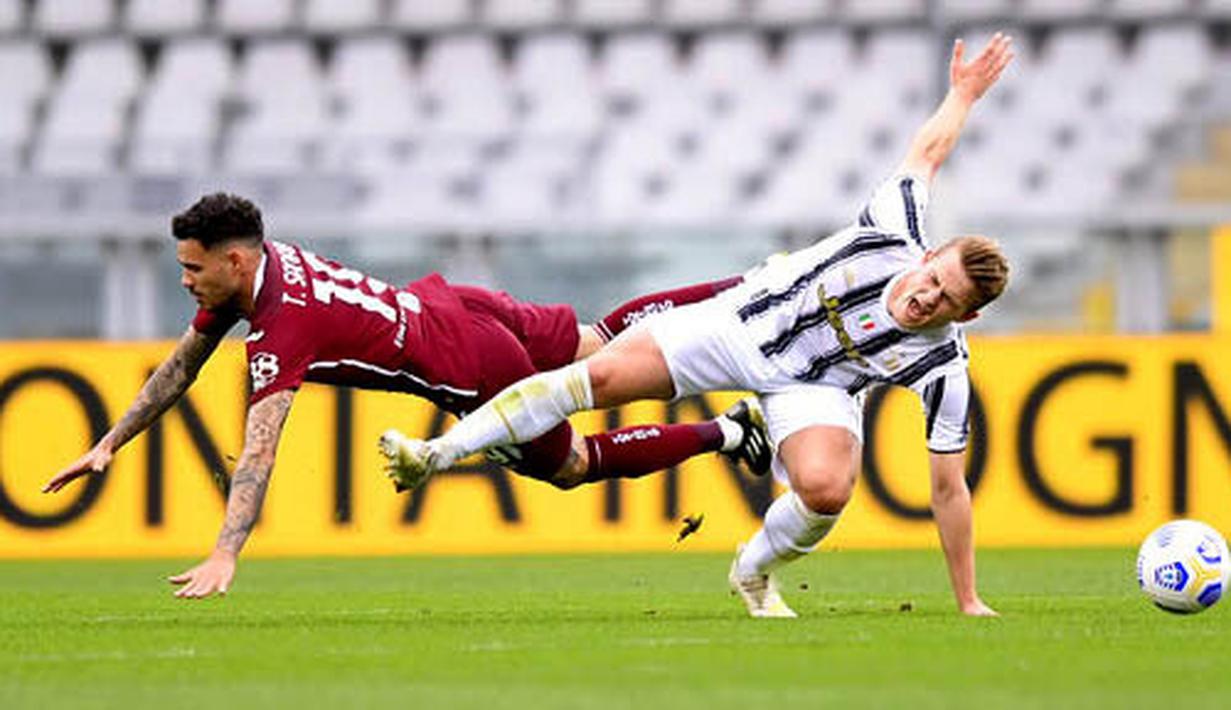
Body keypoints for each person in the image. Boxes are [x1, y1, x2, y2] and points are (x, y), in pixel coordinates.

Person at [377, 33, 1016, 618]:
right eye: (934, 279)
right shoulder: (889, 229)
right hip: (738, 324)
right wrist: (962, 94)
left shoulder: (943, 366)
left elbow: (947, 486)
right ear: (929, 255)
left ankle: (753, 570)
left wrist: (968, 600)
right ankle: (435, 455)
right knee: (591, 373)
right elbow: (929, 151)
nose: (927, 299)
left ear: (968, 315)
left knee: (826, 491)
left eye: (947, 301)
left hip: (815, 390)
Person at [41, 194, 771, 599]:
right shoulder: (266, 267)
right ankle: (753, 284)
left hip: (475, 368)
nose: (185, 281)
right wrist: (109, 442)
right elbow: (182, 365)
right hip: (458, 304)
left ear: (233, 260)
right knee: (602, 333)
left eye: (193, 268)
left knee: (573, 462)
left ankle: (731, 433)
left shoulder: (282, 325)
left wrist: (226, 551)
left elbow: (259, 450)